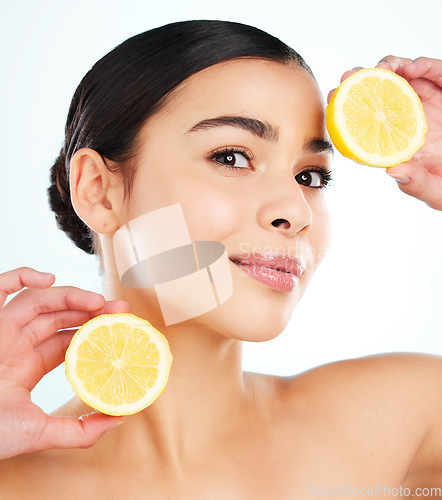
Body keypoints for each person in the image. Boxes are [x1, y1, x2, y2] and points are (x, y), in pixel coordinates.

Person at [0, 20, 441, 497]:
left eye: (311, 176)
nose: (294, 210)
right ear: (99, 192)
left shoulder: (409, 421)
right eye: (232, 157)